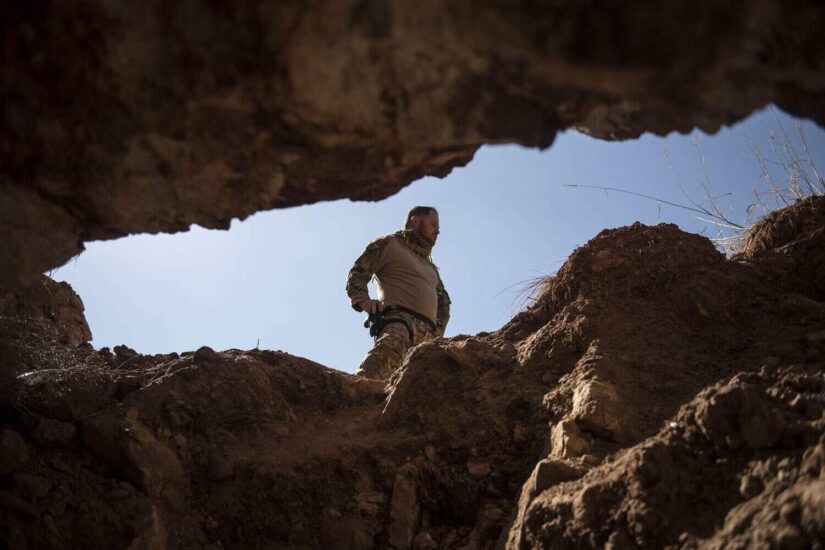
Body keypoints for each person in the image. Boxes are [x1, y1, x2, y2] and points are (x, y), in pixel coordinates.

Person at [346, 206, 451, 380]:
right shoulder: (390, 244)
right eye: (433, 224)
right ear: (415, 221)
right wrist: (364, 301)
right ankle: (356, 391)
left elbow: (444, 305)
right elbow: (357, 273)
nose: (437, 231)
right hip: (400, 322)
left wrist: (437, 333)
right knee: (379, 365)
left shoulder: (431, 268)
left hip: (428, 339)